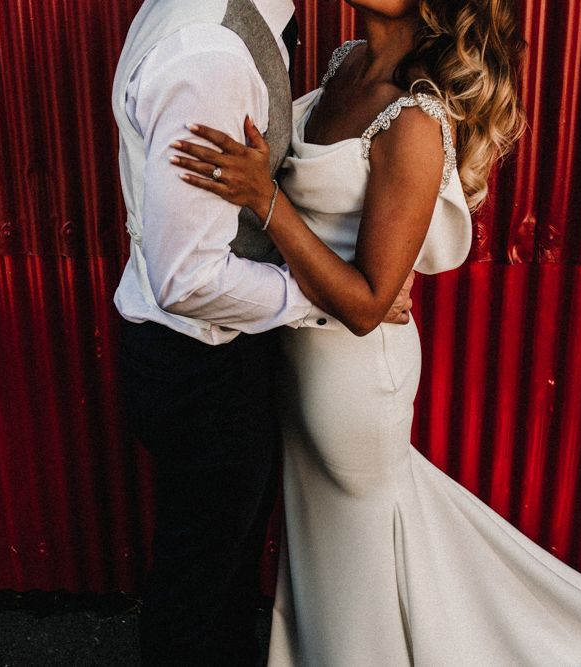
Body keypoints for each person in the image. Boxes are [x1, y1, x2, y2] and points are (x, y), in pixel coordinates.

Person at [170, 0, 581, 664]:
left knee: (358, 566)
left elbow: (366, 303)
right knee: (328, 553)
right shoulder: (347, 61)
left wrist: (262, 198)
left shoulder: (413, 117)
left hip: (350, 380)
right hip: (294, 354)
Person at [111, 0, 412, 664]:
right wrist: (328, 294)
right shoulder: (213, 52)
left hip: (198, 354)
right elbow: (190, 279)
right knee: (201, 590)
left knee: (217, 577)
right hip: (203, 361)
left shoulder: (219, 18)